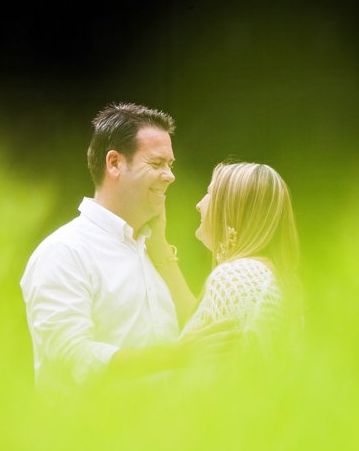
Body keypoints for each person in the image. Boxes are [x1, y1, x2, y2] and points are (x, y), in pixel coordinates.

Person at [20, 102, 238, 391]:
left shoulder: (153, 249)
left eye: (170, 165)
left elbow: (198, 329)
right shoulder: (64, 251)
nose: (170, 176)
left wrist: (161, 250)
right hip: (89, 435)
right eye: (157, 164)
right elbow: (76, 359)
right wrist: (177, 355)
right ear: (114, 163)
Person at [183, 162, 302, 342]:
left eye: (209, 192)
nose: (199, 205)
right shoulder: (268, 277)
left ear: (231, 207)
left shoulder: (237, 277)